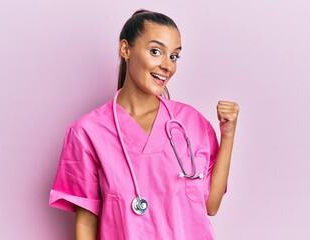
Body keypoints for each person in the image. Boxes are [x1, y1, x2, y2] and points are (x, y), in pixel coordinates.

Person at [49, 9, 239, 240]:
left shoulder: (191, 123)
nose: (167, 65)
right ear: (125, 49)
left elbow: (211, 206)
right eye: (156, 51)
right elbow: (87, 223)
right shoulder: (88, 133)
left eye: (174, 56)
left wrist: (227, 135)